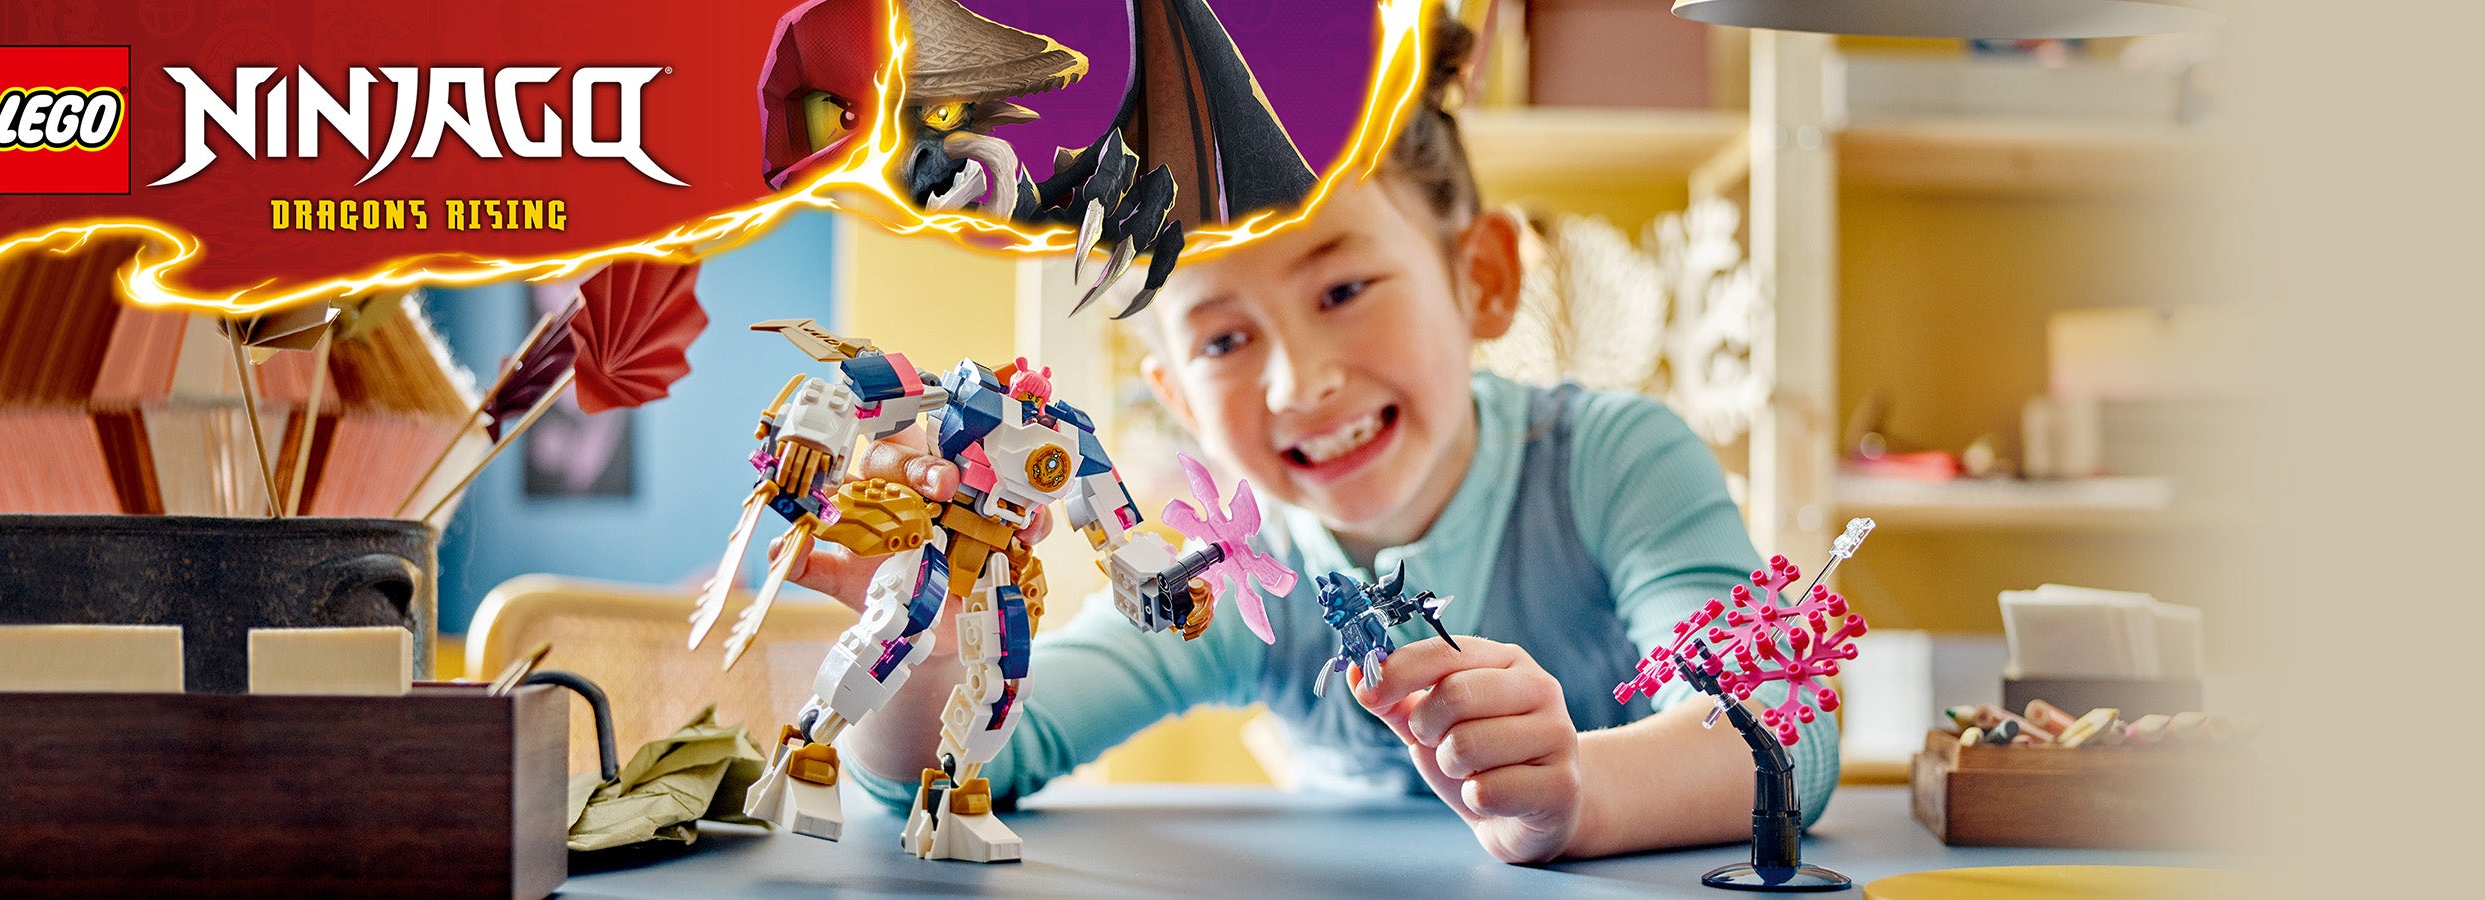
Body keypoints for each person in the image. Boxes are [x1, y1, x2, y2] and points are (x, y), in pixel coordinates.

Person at [784, 16, 1837, 864]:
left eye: (1343, 289)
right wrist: (923, 645)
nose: (1299, 382)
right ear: (1180, 399)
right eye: (1224, 339)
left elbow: (1783, 720)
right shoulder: (1233, 570)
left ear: (1482, 280)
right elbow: (959, 764)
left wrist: (1582, 796)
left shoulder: (1615, 461)